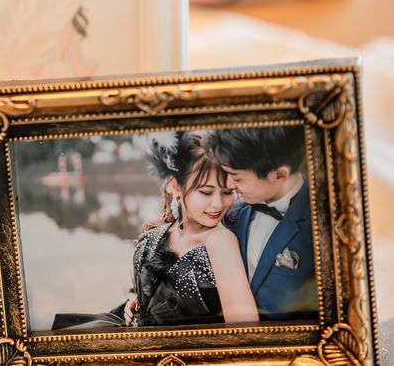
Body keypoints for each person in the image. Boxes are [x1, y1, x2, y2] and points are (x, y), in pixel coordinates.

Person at [123, 131, 259, 327]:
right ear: (176, 186)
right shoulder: (159, 233)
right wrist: (139, 302)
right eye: (206, 192)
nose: (218, 204)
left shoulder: (220, 241)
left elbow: (245, 328)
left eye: (228, 192)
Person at [204, 126, 318, 321]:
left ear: (280, 175)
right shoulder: (229, 214)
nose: (229, 184)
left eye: (237, 177)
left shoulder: (321, 225)